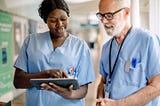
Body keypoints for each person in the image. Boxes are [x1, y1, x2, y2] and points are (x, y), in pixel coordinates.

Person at [13, 0, 95, 106]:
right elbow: (18, 81)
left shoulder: (80, 46)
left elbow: (83, 89)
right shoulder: (31, 42)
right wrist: (45, 74)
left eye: (63, 19)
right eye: (53, 20)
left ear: (68, 17)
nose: (59, 24)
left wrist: (69, 94)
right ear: (45, 20)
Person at [96, 0, 160, 106]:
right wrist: (100, 100)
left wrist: (118, 104)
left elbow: (157, 85)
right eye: (101, 15)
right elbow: (103, 82)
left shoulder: (147, 40)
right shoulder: (107, 48)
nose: (104, 21)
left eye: (109, 15)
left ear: (126, 12)